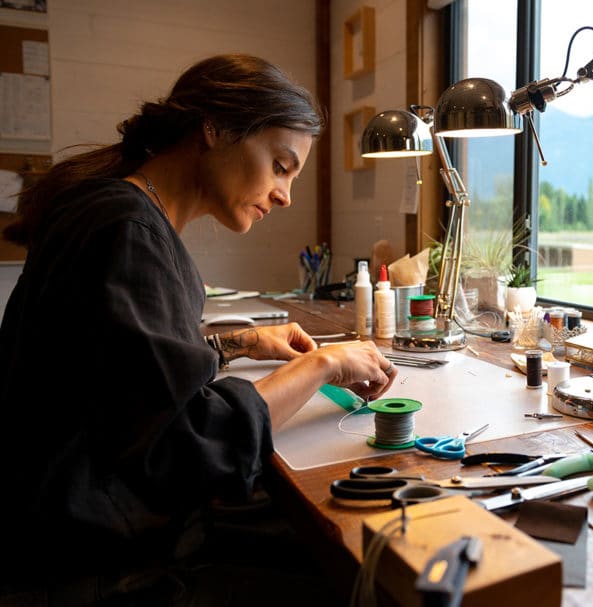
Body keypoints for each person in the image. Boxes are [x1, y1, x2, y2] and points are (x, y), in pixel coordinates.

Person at [0, 54, 395, 605]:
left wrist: (242, 342)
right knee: (361, 575)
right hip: (93, 566)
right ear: (214, 128)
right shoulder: (128, 230)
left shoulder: (121, 212)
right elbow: (189, 447)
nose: (286, 195)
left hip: (67, 528)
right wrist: (323, 364)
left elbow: (125, 379)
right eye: (281, 166)